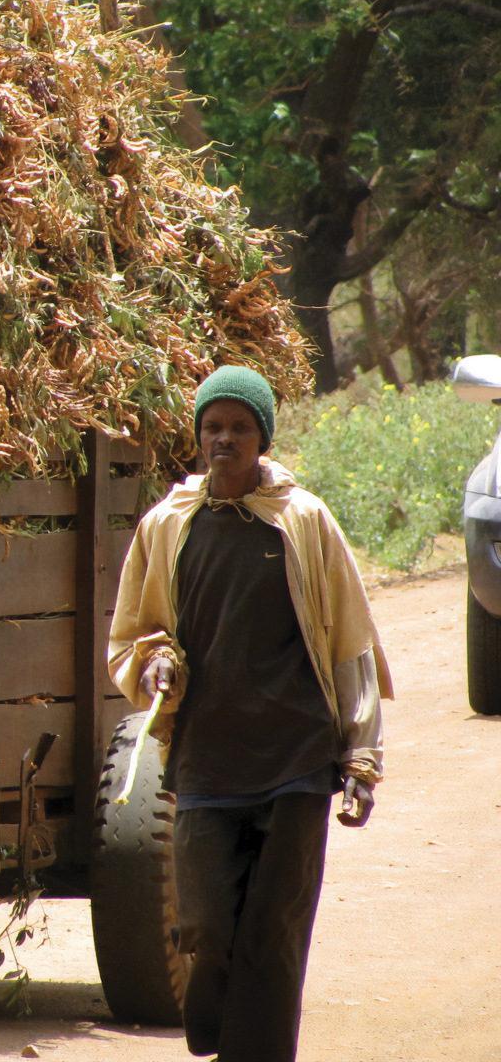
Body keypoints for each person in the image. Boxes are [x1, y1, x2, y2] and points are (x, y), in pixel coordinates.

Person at [108, 365, 392, 1062]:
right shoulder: (167, 528)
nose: (224, 440)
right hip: (206, 762)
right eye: (213, 427)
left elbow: (350, 648)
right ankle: (224, 1033)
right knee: (204, 927)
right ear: (197, 436)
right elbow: (134, 636)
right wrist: (155, 667)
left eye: (240, 427)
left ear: (262, 437)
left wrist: (360, 755)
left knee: (274, 932)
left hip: (295, 760)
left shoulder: (303, 522)